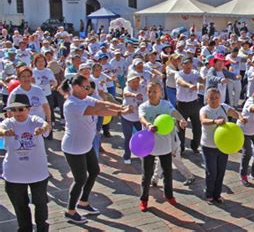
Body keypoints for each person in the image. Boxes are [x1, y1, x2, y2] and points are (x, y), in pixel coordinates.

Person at [60, 75, 131, 224]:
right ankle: (70, 211)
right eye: (86, 87)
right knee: (80, 179)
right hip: (74, 147)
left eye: (89, 87)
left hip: (86, 145)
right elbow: (98, 110)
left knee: (94, 171)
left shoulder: (85, 98)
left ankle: (83, 202)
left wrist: (120, 107)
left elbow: (101, 103)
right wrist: (120, 113)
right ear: (76, 87)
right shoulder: (71, 104)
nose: (89, 90)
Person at [1, 94, 52, 232]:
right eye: (14, 110)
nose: (17, 113)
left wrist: (43, 128)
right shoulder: (8, 123)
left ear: (28, 109)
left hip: (37, 172)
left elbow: (45, 124)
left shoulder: (34, 120)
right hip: (14, 174)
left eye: (20, 109)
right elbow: (0, 129)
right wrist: (4, 132)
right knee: (20, 206)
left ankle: (42, 228)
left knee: (41, 204)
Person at [138, 82, 187, 211]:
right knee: (146, 175)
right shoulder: (143, 106)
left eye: (155, 91)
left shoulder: (166, 105)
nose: (151, 94)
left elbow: (174, 112)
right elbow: (141, 118)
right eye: (149, 91)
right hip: (148, 146)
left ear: (161, 93)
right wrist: (148, 125)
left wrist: (181, 119)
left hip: (165, 145)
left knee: (167, 173)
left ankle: (169, 196)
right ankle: (144, 200)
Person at [199, 88, 246, 204]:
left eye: (216, 97)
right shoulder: (204, 109)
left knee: (221, 171)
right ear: (207, 99)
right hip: (208, 146)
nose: (214, 100)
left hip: (222, 147)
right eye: (211, 98)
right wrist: (215, 121)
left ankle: (217, 194)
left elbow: (234, 113)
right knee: (211, 172)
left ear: (220, 98)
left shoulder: (223, 107)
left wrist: (240, 117)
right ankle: (209, 194)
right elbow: (203, 120)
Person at [175, 56, 204, 153]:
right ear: (182, 65)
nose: (188, 66)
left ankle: (195, 146)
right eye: (186, 63)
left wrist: (201, 81)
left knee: (197, 128)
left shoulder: (195, 73)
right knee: (181, 128)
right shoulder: (178, 74)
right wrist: (189, 85)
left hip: (194, 104)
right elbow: (181, 82)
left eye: (190, 63)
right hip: (181, 105)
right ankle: (181, 148)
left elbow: (200, 78)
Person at [121, 72, 147, 164]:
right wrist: (134, 95)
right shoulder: (126, 88)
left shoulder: (142, 88)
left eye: (137, 81)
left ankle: (142, 154)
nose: (136, 84)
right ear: (128, 82)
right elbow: (126, 93)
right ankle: (127, 156)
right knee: (128, 137)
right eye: (133, 82)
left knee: (141, 137)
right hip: (127, 117)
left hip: (138, 118)